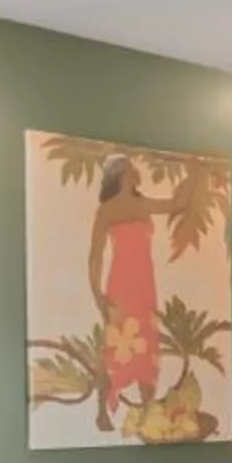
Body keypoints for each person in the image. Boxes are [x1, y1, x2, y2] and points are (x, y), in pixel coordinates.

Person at [87, 154, 181, 433]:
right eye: (132, 168)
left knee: (146, 348)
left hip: (144, 288)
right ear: (123, 173)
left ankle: (148, 413)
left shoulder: (143, 203)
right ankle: (101, 412)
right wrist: (98, 296)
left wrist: (197, 175)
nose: (137, 171)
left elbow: (177, 204)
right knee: (114, 348)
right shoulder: (106, 210)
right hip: (121, 287)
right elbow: (95, 257)